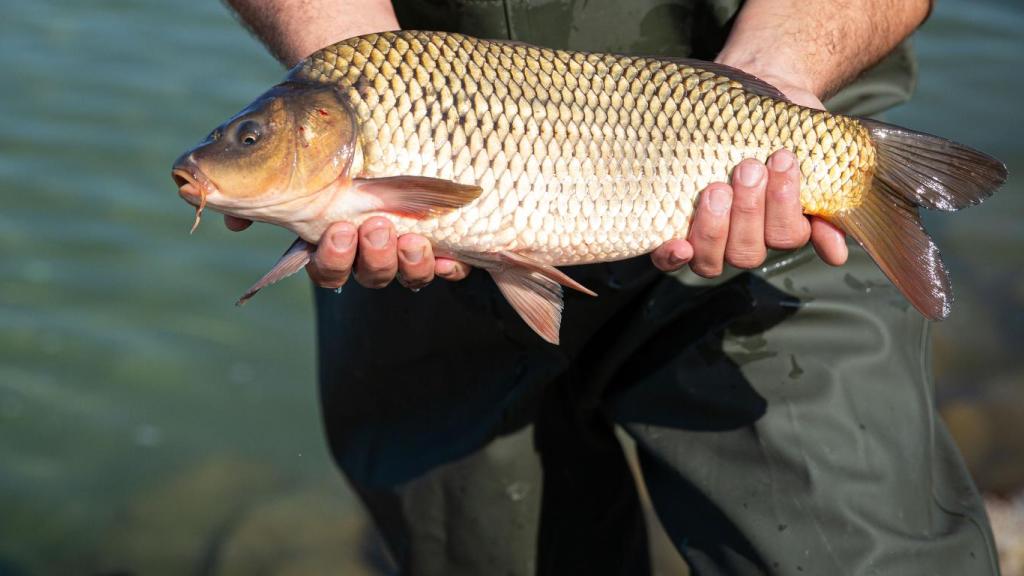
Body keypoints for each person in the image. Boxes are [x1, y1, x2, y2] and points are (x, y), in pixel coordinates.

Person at [224, 1, 1000, 574]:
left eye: (248, 139)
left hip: (762, 155)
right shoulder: (359, 116)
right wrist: (350, 57)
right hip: (418, 251)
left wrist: (776, 74)